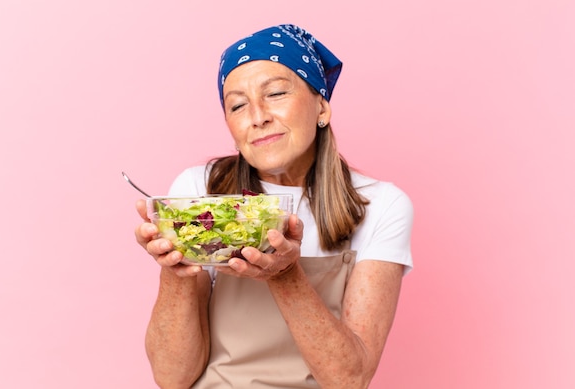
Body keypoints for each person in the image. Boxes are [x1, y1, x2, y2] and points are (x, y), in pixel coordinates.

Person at [134, 24, 413, 388]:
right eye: (237, 105)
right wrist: (176, 267)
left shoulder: (382, 205)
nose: (257, 116)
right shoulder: (198, 191)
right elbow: (172, 378)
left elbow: (350, 379)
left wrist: (284, 275)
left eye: (277, 93)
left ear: (321, 107)